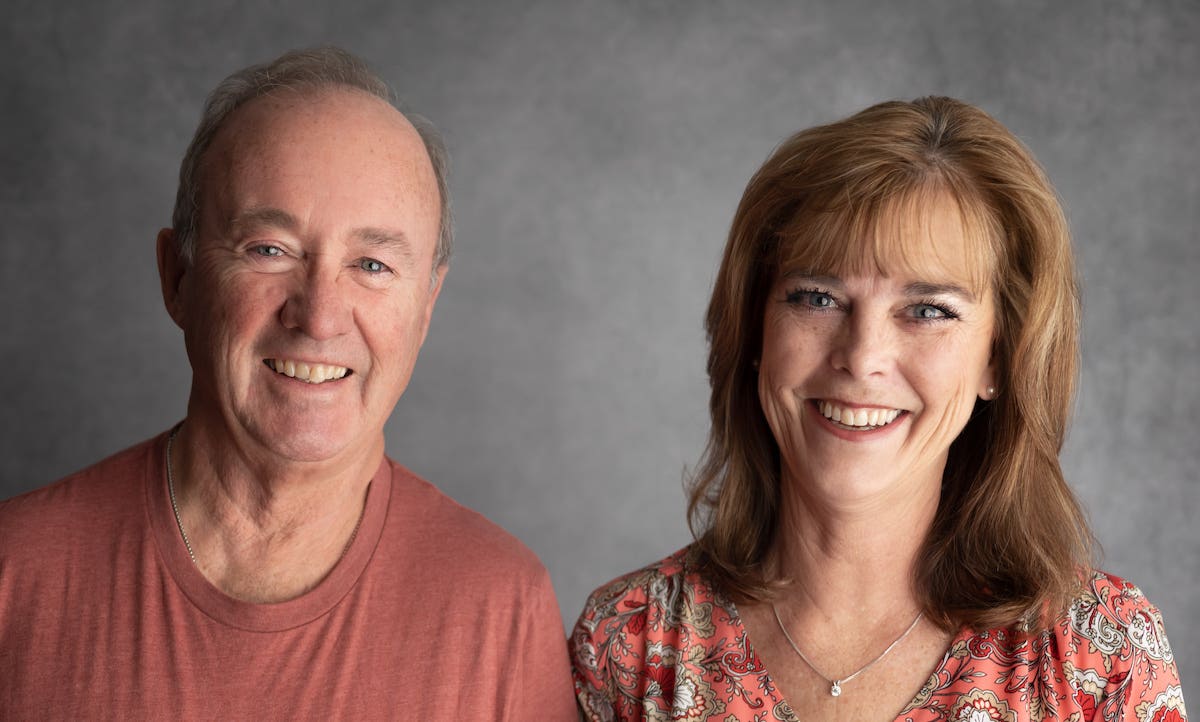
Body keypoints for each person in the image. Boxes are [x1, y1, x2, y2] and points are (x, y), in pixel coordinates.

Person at [0, 47, 577, 719]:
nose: (319, 317)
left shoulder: (499, 606)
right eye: (269, 250)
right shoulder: (14, 573)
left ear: (426, 309)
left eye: (371, 263)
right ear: (177, 278)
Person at [571, 97, 1187, 721]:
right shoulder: (627, 644)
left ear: (1000, 359)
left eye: (928, 310)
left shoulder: (1102, 660)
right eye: (816, 297)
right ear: (756, 332)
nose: (862, 358)